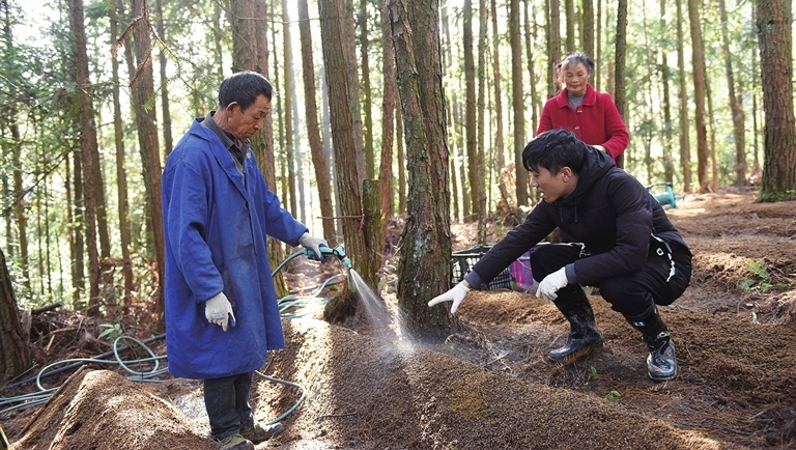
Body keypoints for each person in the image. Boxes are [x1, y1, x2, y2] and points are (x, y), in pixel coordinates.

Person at [429, 129, 692, 382]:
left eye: (536, 175)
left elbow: (632, 255)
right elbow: (518, 239)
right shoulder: (554, 202)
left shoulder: (620, 186)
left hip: (662, 262)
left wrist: (568, 274)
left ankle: (659, 340)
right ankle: (584, 332)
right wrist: (468, 283)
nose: (532, 183)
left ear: (565, 174)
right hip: (608, 253)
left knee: (618, 286)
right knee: (544, 259)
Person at [162, 71, 329, 450]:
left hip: (243, 272)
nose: (260, 125)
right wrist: (209, 291)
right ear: (233, 109)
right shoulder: (192, 157)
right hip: (214, 276)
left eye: (265, 116)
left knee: (241, 350)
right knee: (220, 355)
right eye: (258, 115)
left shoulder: (239, 152)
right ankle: (224, 432)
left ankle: (244, 423)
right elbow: (184, 233)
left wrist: (302, 235)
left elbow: (266, 205)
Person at [537, 52, 629, 164]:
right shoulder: (551, 106)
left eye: (580, 75)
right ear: (562, 77)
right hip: (564, 174)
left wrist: (602, 149)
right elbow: (541, 141)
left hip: (600, 169)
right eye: (569, 75)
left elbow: (621, 136)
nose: (575, 80)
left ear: (589, 73)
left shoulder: (603, 101)